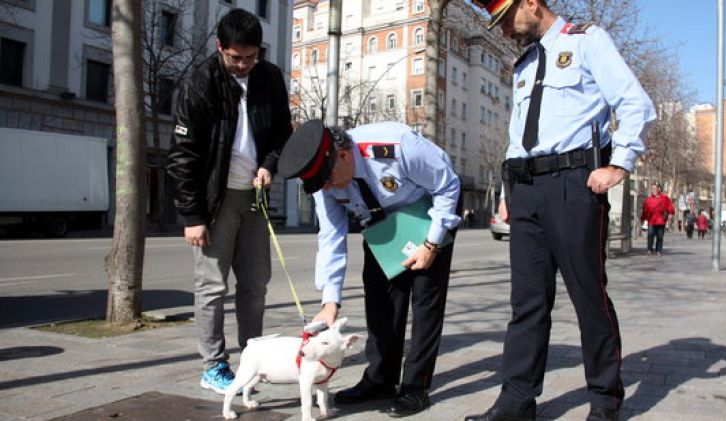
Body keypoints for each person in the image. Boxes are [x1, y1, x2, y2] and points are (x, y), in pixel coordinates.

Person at [466, 1, 655, 421]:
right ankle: (516, 401)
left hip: (573, 183)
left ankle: (605, 402)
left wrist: (619, 164)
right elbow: (518, 135)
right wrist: (505, 189)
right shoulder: (523, 65)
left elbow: (634, 102)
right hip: (525, 189)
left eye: (506, 19)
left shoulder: (587, 41)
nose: (503, 31)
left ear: (531, 4)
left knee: (588, 296)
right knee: (527, 302)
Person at [277, 119, 462, 417]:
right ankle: (380, 380)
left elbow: (448, 185)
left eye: (327, 180)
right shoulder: (324, 180)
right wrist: (330, 301)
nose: (326, 188)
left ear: (344, 156)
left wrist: (431, 245)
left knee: (425, 298)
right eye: (319, 184)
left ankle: (416, 387)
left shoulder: (397, 146)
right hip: (379, 219)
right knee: (380, 299)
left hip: (429, 208)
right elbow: (331, 236)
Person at [166, 8, 292, 394]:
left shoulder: (269, 78)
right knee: (211, 287)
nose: (242, 65)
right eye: (235, 57)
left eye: (251, 57)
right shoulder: (199, 83)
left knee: (255, 284)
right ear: (220, 47)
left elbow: (281, 133)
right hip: (213, 201)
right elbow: (183, 154)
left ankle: (252, 357)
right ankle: (214, 365)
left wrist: (270, 165)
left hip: (254, 197)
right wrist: (192, 215)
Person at [640, 183, 675, 256]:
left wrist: (671, 214)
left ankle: (658, 250)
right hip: (651, 221)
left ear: (659, 189)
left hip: (661, 221)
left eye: (655, 188)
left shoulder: (664, 198)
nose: (653, 190)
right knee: (650, 235)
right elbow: (645, 210)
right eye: (652, 189)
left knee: (660, 237)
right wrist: (643, 219)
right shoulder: (648, 199)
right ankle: (649, 249)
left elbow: (670, 207)